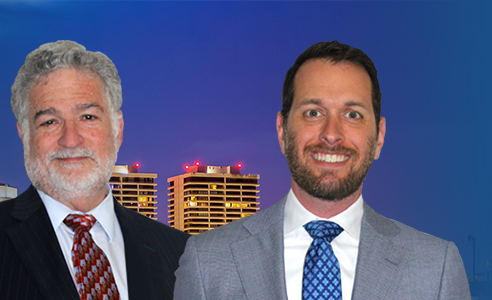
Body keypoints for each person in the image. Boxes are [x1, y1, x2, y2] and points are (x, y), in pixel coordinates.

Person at [173, 41, 470, 300]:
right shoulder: (207, 262)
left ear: (379, 137)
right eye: (313, 113)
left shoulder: (436, 268)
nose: (331, 133)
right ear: (281, 131)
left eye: (352, 115)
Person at [0, 40, 190, 300]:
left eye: (88, 117)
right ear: (24, 134)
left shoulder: (181, 253)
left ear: (118, 130)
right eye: (49, 122)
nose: (71, 139)